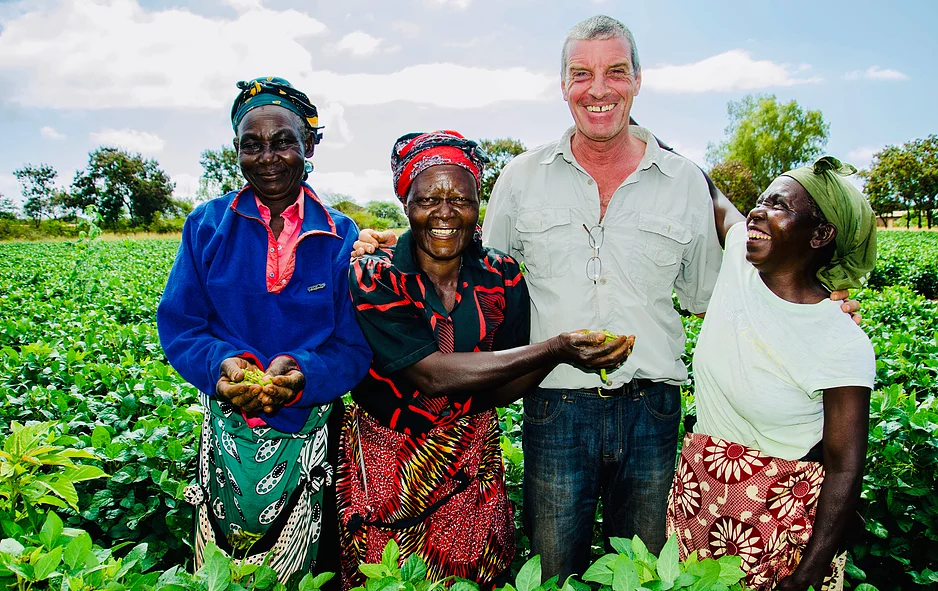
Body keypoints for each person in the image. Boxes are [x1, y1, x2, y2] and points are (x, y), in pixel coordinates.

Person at [352, 16, 860, 580]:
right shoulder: (521, 179)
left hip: (654, 408)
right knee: (553, 571)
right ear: (563, 84)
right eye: (581, 74)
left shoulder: (683, 181)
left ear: (637, 80)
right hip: (555, 406)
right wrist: (375, 243)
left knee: (645, 572)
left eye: (615, 72)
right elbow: (473, 272)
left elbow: (720, 294)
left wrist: (817, 303)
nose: (598, 89)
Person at [337, 131, 634, 588]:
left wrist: (560, 358)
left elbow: (502, 384)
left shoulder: (501, 276)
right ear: (405, 203)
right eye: (427, 198)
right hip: (388, 466)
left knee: (472, 576)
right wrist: (555, 349)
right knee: (389, 578)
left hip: (471, 461)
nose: (444, 212)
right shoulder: (375, 274)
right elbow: (430, 376)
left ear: (480, 203)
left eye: (461, 198)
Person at [156, 77, 371, 585]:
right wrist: (222, 366)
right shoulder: (206, 226)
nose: (267, 157)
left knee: (313, 565)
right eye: (251, 145)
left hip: (314, 430)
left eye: (283, 142)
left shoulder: (341, 235)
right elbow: (183, 325)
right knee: (227, 562)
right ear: (237, 152)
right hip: (228, 427)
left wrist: (302, 371)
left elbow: (353, 345)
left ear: (309, 146)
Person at [667, 157, 876, 591]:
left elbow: (844, 469)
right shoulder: (739, 264)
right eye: (760, 200)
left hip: (778, 527)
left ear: (820, 235)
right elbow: (710, 190)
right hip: (699, 502)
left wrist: (807, 574)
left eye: (779, 205)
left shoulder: (841, 341)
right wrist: (634, 124)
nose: (757, 211)